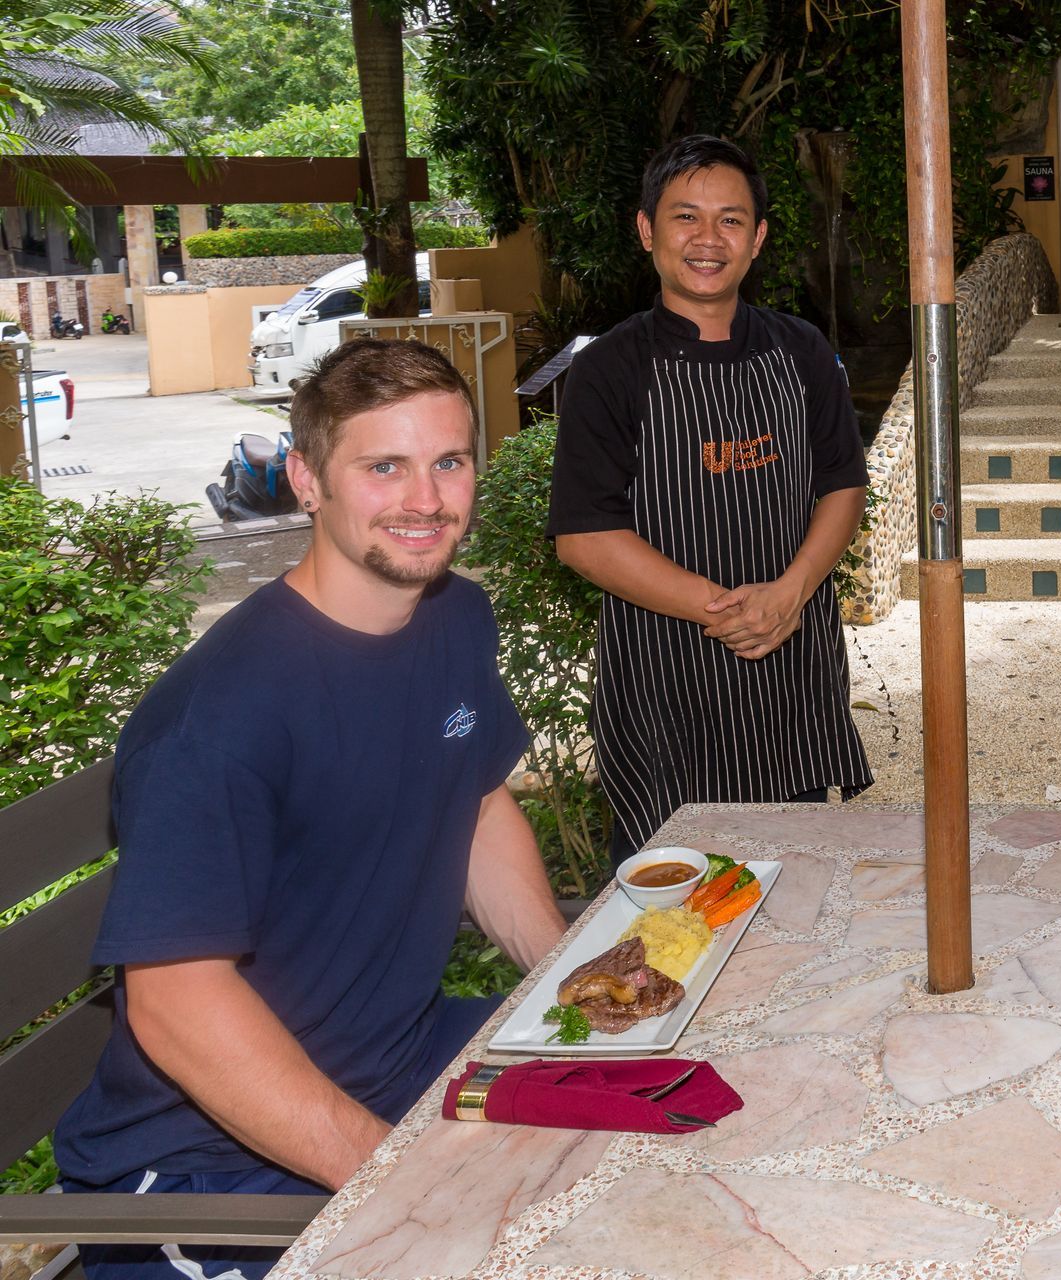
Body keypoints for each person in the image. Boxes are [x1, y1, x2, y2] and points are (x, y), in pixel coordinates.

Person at [54, 338, 567, 1280]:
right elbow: (174, 1005)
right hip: (210, 1168)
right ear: (307, 479)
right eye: (384, 467)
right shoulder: (223, 715)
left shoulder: (453, 616)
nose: (426, 500)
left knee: (673, 1117)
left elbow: (479, 799)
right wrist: (398, 1181)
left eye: (449, 461)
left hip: (400, 1056)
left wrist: (565, 981)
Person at [547, 134, 872, 854]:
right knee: (674, 904)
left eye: (730, 219)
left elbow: (843, 483)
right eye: (685, 217)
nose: (707, 238)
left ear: (756, 239)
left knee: (800, 885)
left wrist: (789, 593)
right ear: (646, 230)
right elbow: (584, 534)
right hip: (664, 686)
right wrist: (730, 611)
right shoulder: (610, 369)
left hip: (792, 677)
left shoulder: (802, 351)